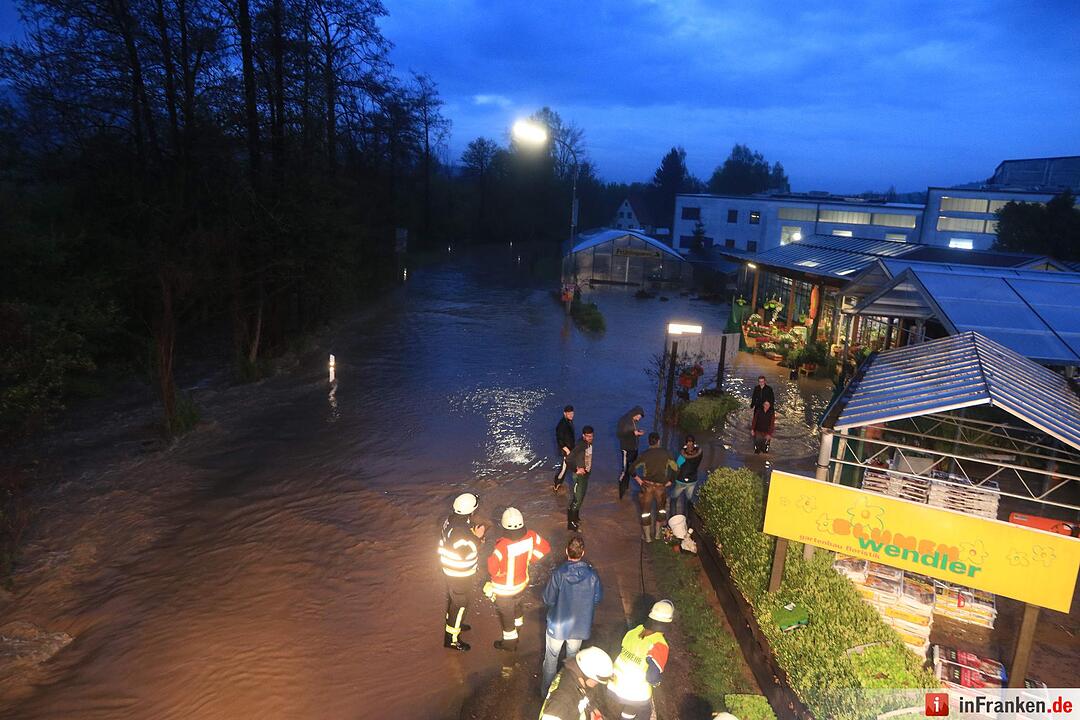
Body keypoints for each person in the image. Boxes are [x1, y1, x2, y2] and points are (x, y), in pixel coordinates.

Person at [541, 536, 603, 697]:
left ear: (566, 551)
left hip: (557, 625)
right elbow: (597, 598)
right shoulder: (592, 575)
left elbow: (548, 599)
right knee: (572, 662)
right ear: (583, 553)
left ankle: (546, 694)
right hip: (579, 627)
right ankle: (568, 694)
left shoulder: (559, 573)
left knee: (551, 660)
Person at [486, 507, 551, 651]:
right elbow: (545, 548)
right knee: (517, 609)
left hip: (504, 592)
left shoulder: (502, 546)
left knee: (507, 620)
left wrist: (499, 574)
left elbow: (492, 569)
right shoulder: (531, 536)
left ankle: (509, 646)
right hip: (521, 585)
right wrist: (531, 559)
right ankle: (518, 629)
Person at [608, 600, 673, 720]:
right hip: (635, 691)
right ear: (668, 622)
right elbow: (652, 677)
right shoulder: (659, 644)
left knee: (631, 708)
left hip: (615, 684)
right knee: (645, 712)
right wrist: (656, 683)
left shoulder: (634, 631)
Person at [438, 492, 487, 652]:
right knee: (460, 603)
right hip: (459, 572)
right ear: (471, 511)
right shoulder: (461, 531)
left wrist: (472, 536)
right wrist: (478, 539)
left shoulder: (451, 520)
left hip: (451, 569)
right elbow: (465, 551)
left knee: (455, 601)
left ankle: (454, 622)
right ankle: (452, 639)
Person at [539, 646, 613, 720]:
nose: (596, 683)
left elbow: (586, 696)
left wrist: (592, 710)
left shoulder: (578, 680)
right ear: (586, 674)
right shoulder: (562, 702)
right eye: (596, 681)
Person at [632, 433, 677, 542]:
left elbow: (631, 469)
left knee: (645, 512)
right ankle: (657, 534)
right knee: (661, 510)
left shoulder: (645, 454)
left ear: (649, 442)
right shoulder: (666, 454)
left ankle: (647, 537)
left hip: (647, 487)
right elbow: (676, 469)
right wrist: (670, 481)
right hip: (661, 487)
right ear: (659, 441)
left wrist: (638, 480)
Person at [564, 426, 594, 530]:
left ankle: (576, 518)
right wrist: (576, 469)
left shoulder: (588, 443)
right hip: (578, 476)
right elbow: (568, 459)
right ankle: (571, 524)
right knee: (577, 499)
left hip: (585, 475)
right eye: (588, 436)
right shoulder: (581, 444)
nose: (590, 438)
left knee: (580, 498)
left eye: (591, 436)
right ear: (583, 436)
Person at [616, 406, 646, 500]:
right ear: (634, 413)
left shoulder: (633, 420)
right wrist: (634, 433)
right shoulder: (624, 420)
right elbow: (620, 434)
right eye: (638, 417)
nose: (638, 419)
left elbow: (632, 432)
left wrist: (637, 433)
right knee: (625, 470)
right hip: (626, 449)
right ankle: (621, 491)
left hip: (634, 448)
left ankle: (626, 487)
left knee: (631, 468)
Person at [670, 435, 703, 517]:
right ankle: (687, 519)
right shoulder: (699, 454)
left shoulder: (682, 456)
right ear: (694, 443)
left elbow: (677, 466)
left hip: (681, 480)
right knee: (688, 500)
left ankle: (673, 518)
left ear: (685, 444)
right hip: (692, 480)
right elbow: (698, 448)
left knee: (673, 499)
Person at [553, 405, 576, 493]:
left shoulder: (569, 421)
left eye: (572, 413)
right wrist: (567, 451)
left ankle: (559, 482)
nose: (571, 415)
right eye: (569, 413)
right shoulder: (562, 425)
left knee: (566, 467)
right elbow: (559, 440)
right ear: (564, 413)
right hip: (566, 450)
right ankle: (557, 483)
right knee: (564, 468)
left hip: (570, 448)